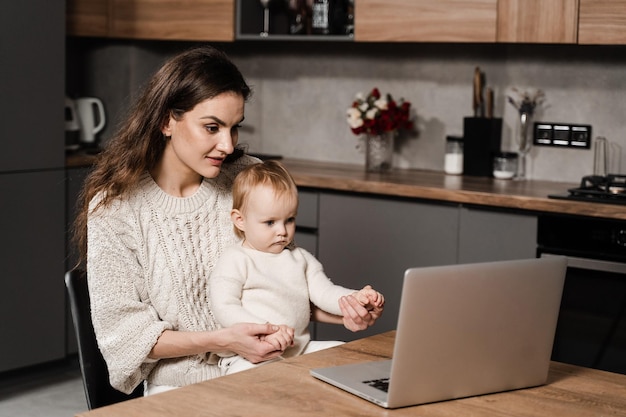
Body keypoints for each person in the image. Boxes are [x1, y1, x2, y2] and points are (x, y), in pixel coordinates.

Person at [72, 45, 384, 396]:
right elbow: (126, 337)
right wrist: (227, 340)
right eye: (212, 127)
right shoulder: (116, 208)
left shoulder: (246, 176)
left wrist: (345, 311)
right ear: (166, 121)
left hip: (273, 366)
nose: (227, 144)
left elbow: (282, 285)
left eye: (234, 128)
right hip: (182, 389)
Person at [209, 160, 385, 375]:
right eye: (270, 222)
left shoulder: (300, 258)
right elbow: (224, 306)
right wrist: (266, 330)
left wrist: (357, 299)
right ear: (240, 220)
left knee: (348, 355)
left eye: (289, 220)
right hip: (250, 355)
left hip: (300, 349)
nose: (282, 231)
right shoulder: (235, 259)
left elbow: (326, 293)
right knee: (259, 379)